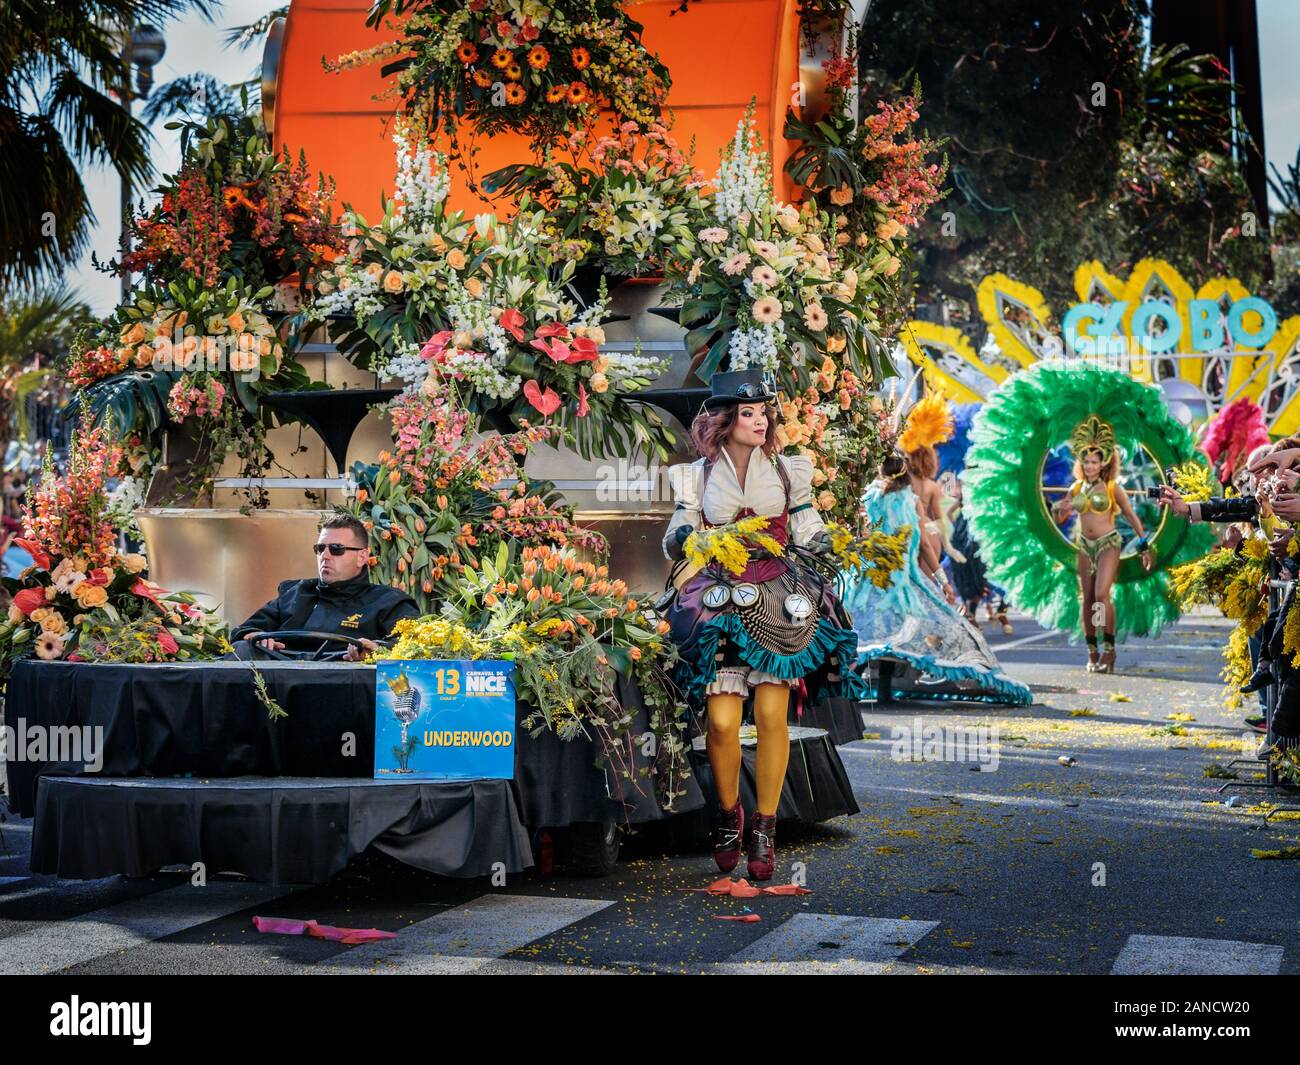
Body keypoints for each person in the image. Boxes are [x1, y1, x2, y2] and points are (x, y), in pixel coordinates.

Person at [661, 369, 865, 881]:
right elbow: (678, 528)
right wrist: (686, 537)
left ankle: (766, 826)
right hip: (720, 597)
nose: (759, 420)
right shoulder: (697, 476)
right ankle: (730, 818)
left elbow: (806, 521)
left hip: (778, 597)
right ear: (725, 420)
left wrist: (822, 540)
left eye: (763, 412)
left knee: (773, 716)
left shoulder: (789, 468)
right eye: (747, 413)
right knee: (724, 723)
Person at [843, 452, 1032, 706]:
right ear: (905, 473)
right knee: (900, 630)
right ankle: (884, 689)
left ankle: (849, 687)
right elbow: (924, 547)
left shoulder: (871, 498)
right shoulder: (911, 501)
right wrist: (942, 581)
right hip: (904, 581)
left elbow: (862, 536)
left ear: (881, 472)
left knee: (864, 629)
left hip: (868, 577)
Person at [230, 513, 420, 661]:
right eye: (320, 549)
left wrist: (376, 650)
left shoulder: (388, 602)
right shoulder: (295, 593)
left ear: (362, 557)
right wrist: (257, 637)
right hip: (278, 688)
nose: (325, 556)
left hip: (346, 691)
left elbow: (414, 646)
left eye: (336, 549)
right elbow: (243, 631)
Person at [1050, 416, 1153, 674]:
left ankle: (1109, 649)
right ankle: (1092, 650)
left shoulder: (1111, 487)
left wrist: (1144, 545)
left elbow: (1130, 515)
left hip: (1109, 544)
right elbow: (1060, 518)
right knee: (1087, 599)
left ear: (1104, 462)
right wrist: (1058, 509)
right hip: (1084, 545)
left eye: (1094, 461)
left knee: (1100, 595)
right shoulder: (1075, 488)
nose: (1089, 465)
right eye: (1085, 461)